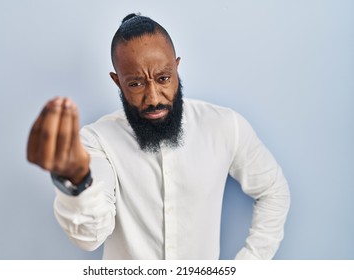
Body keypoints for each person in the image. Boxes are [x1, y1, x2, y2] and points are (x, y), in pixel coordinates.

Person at [27, 13, 290, 260]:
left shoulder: (224, 126)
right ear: (118, 82)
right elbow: (89, 237)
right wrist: (77, 181)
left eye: (164, 78)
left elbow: (274, 191)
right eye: (136, 84)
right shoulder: (97, 141)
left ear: (177, 69)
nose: (153, 98)